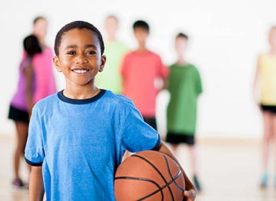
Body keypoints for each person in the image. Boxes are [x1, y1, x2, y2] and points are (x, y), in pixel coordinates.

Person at [24, 21, 196, 201]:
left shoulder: (118, 109)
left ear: (102, 61)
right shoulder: (43, 111)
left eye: (90, 52)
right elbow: (37, 169)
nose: (81, 58)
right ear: (57, 62)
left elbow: (157, 146)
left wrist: (187, 185)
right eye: (71, 52)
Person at [166, 33, 203, 192]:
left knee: (191, 148)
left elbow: (198, 91)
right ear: (174, 46)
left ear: (186, 46)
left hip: (188, 117)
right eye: (177, 44)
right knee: (173, 149)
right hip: (173, 115)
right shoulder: (169, 69)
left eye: (182, 44)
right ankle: (173, 177)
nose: (180, 47)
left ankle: (195, 176)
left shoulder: (193, 70)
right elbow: (164, 87)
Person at [8, 34, 42, 188]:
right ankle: (17, 177)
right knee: (22, 144)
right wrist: (31, 112)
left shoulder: (25, 62)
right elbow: (28, 92)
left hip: (17, 106)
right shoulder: (29, 65)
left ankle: (26, 177)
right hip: (21, 108)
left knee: (22, 145)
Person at [121, 20, 168, 130]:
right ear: (134, 34)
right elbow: (123, 79)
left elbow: (165, 78)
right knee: (131, 144)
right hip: (132, 109)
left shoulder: (156, 57)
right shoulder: (128, 57)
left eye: (143, 32)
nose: (140, 36)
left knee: (152, 144)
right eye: (137, 33)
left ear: (148, 34)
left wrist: (155, 92)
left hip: (149, 109)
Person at [253, 26, 276, 188]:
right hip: (266, 100)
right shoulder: (261, 57)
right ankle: (265, 173)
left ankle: (274, 172)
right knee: (266, 136)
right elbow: (256, 77)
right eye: (271, 36)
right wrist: (254, 95)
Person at [96, 15, 128, 94]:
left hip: (119, 92)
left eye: (113, 24)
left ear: (117, 26)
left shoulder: (125, 49)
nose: (110, 27)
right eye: (108, 24)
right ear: (105, 26)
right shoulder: (97, 47)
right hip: (100, 91)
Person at [31, 16, 56, 102]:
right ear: (34, 28)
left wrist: (55, 91)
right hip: (35, 95)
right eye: (40, 26)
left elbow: (50, 73)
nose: (43, 29)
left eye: (45, 26)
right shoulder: (29, 48)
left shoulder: (48, 49)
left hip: (49, 93)